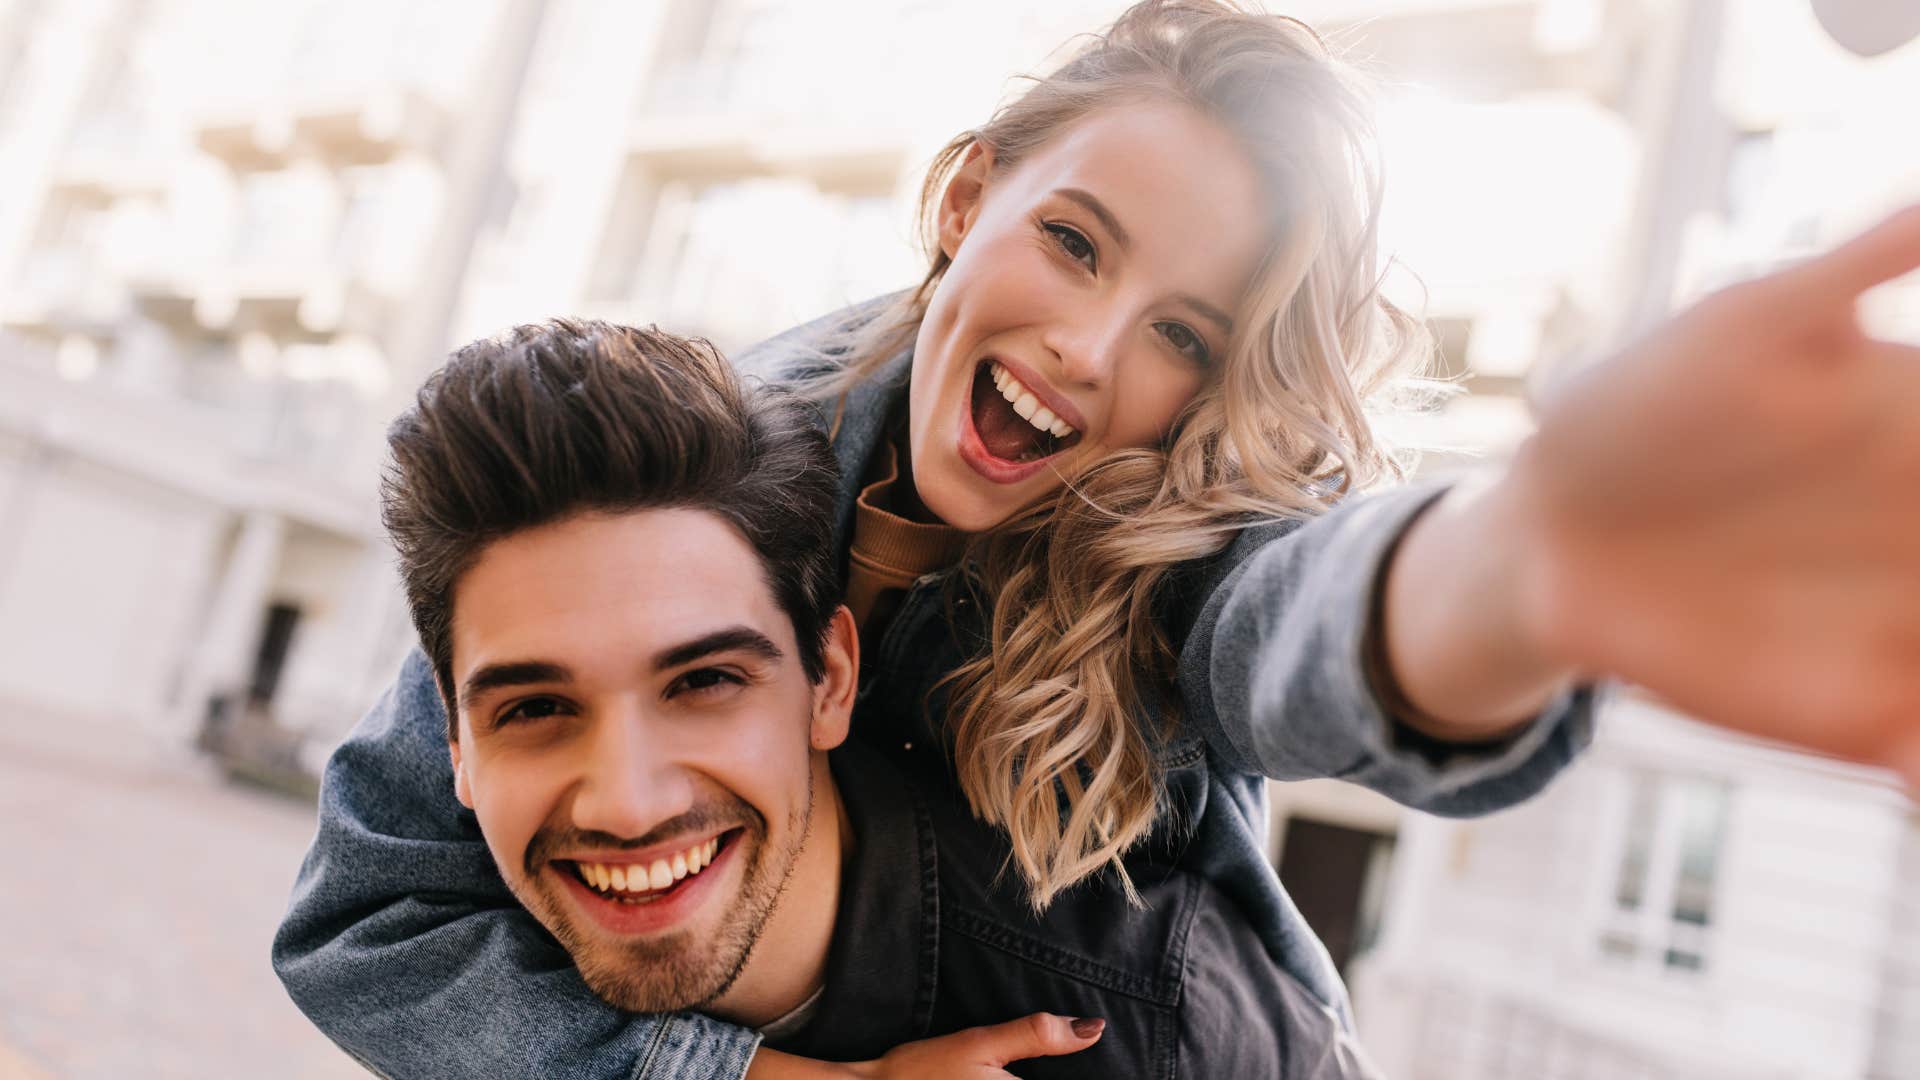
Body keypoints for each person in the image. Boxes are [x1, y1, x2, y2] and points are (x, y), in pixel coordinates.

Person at [274, 3, 1920, 1077]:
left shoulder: (1170, 520)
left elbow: (1298, 618)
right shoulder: (685, 479)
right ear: (960, 198)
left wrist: (1527, 564)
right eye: (1071, 242)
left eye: (1184, 335)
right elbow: (371, 914)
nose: (1086, 347)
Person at [369, 318, 1376, 1077]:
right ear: (449, 745)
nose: (626, 802)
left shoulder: (1156, 1021)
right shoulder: (466, 1007)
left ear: (831, 679)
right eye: (534, 710)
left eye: (706, 682)